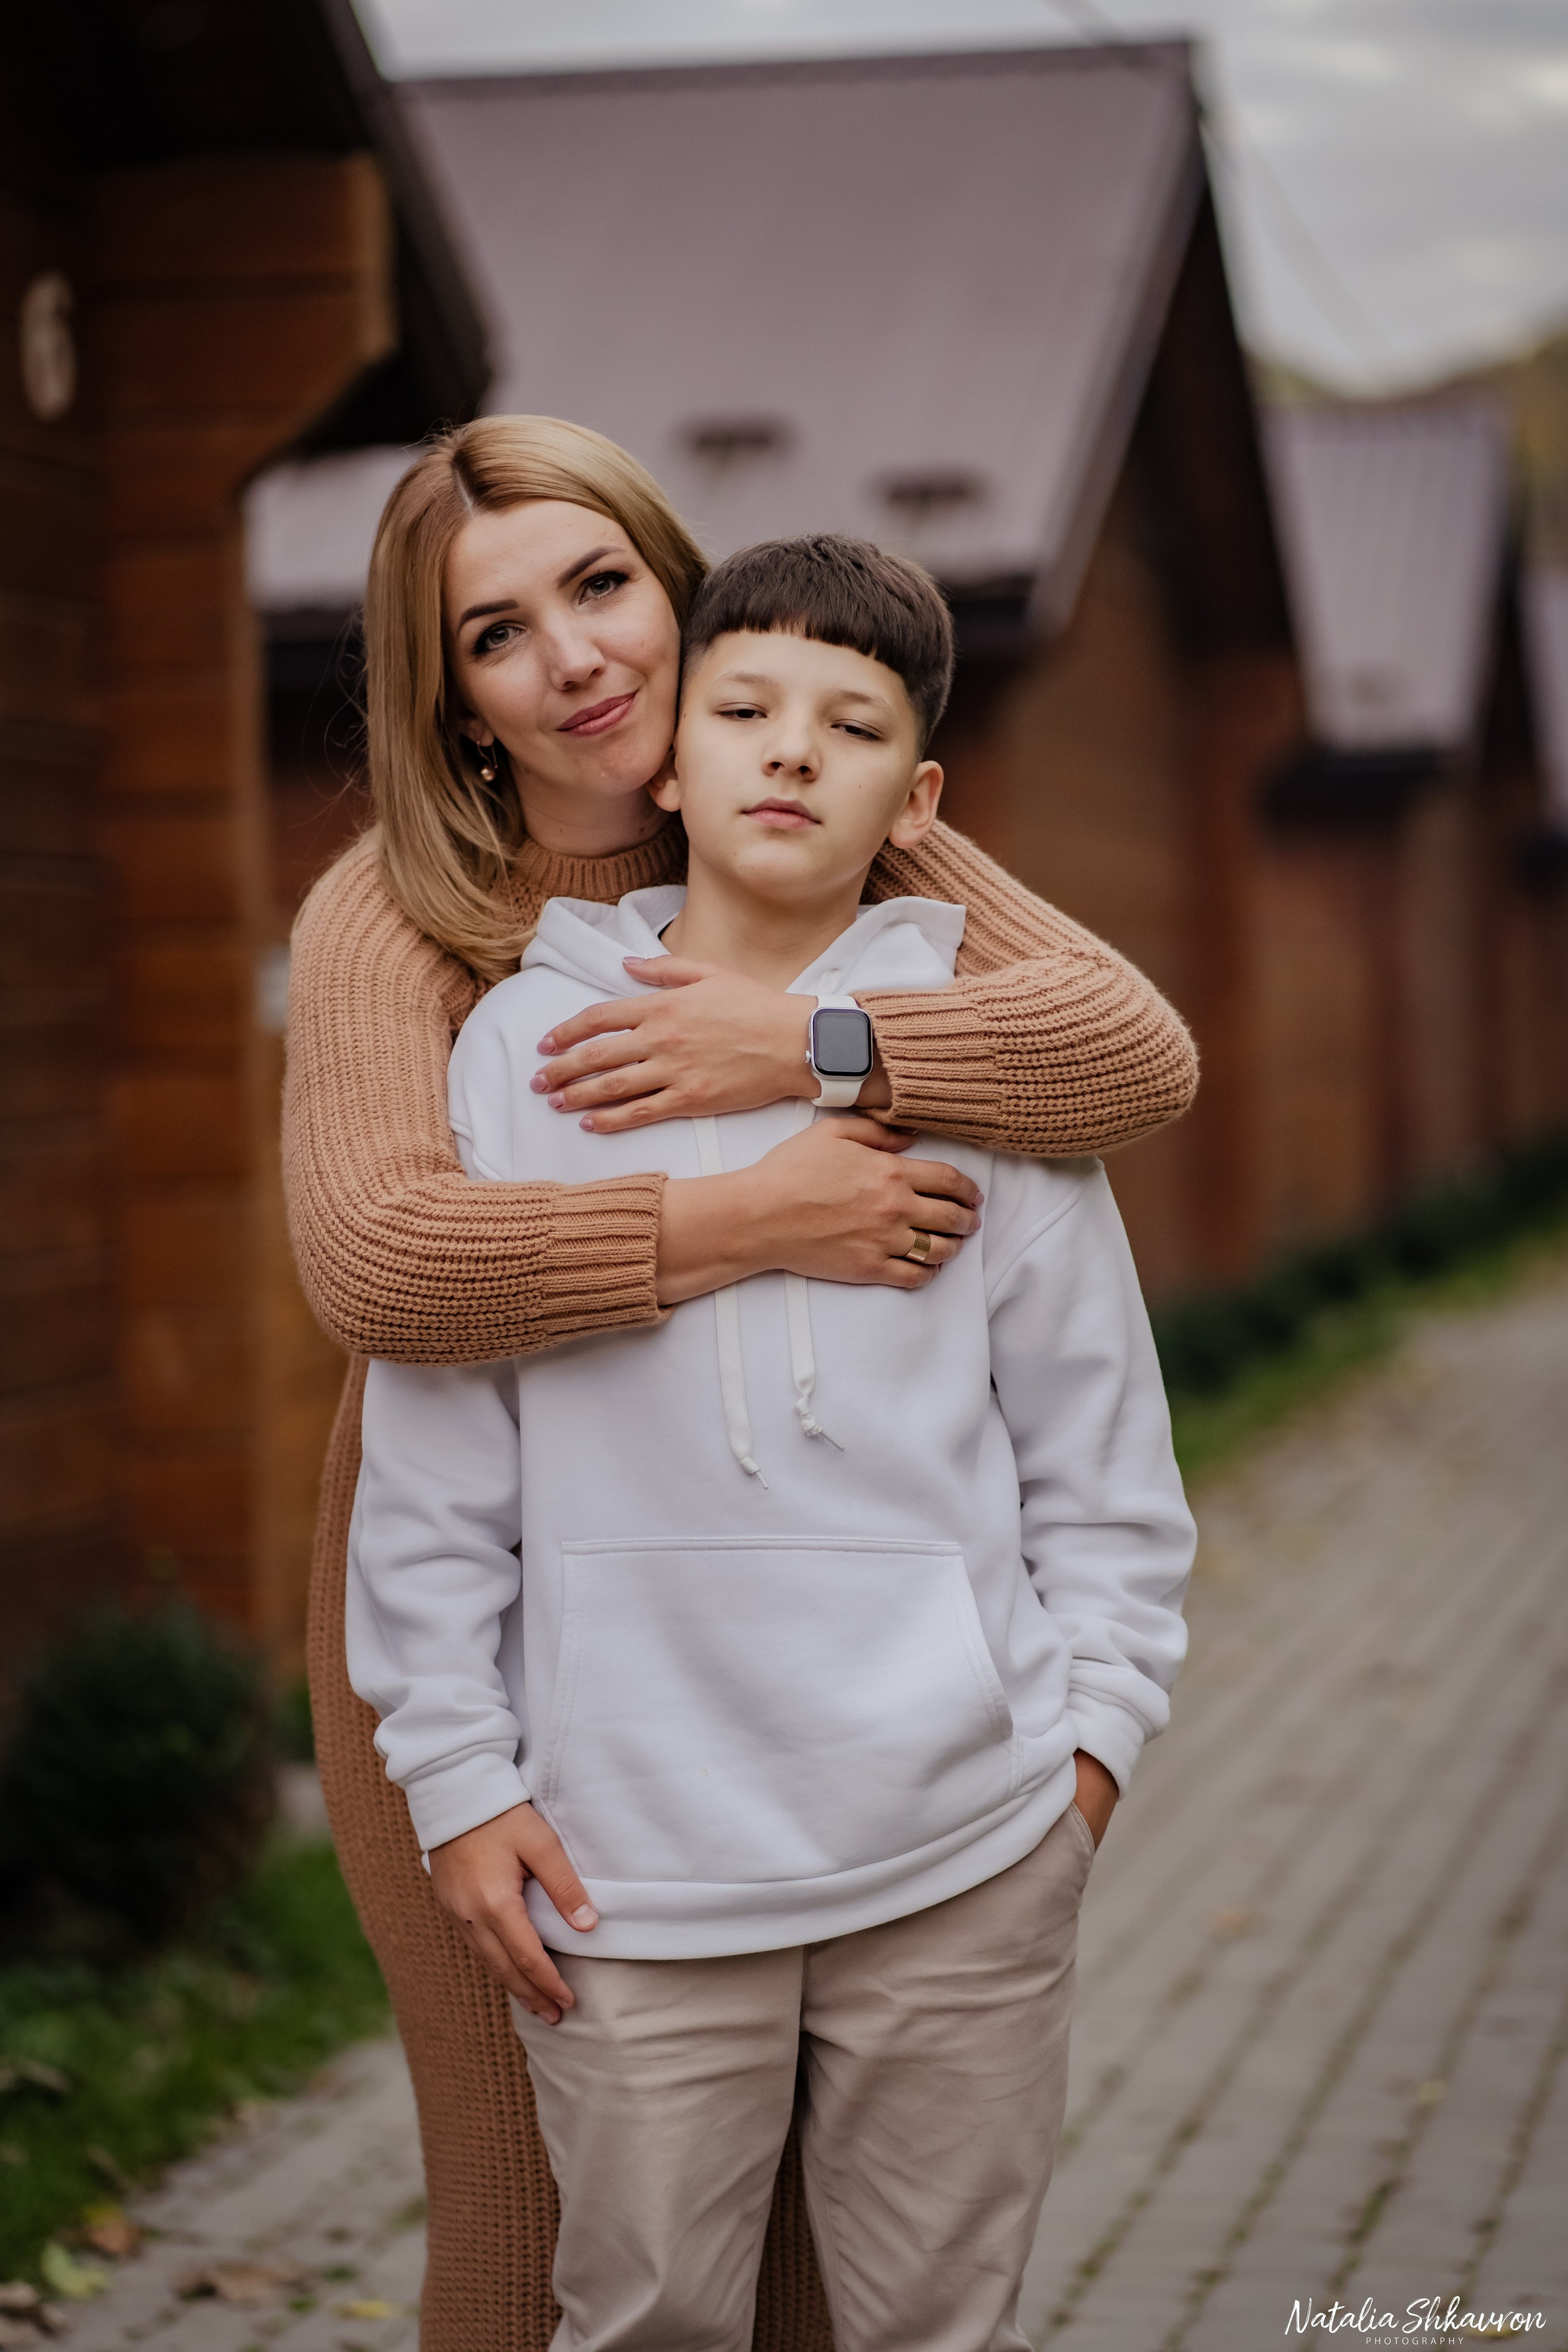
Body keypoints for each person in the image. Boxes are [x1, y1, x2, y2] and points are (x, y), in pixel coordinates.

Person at [284, 417, 1199, 2352]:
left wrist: (807, 1041)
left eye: (603, 587)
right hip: (519, 1680)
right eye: (496, 635)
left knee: (833, 2271)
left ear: (679, 597)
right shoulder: (402, 916)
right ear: (451, 701)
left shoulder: (854, 809)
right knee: (535, 2243)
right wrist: (751, 1219)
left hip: (906, 1756)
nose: (577, 659)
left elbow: (1125, 1061)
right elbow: (379, 1263)